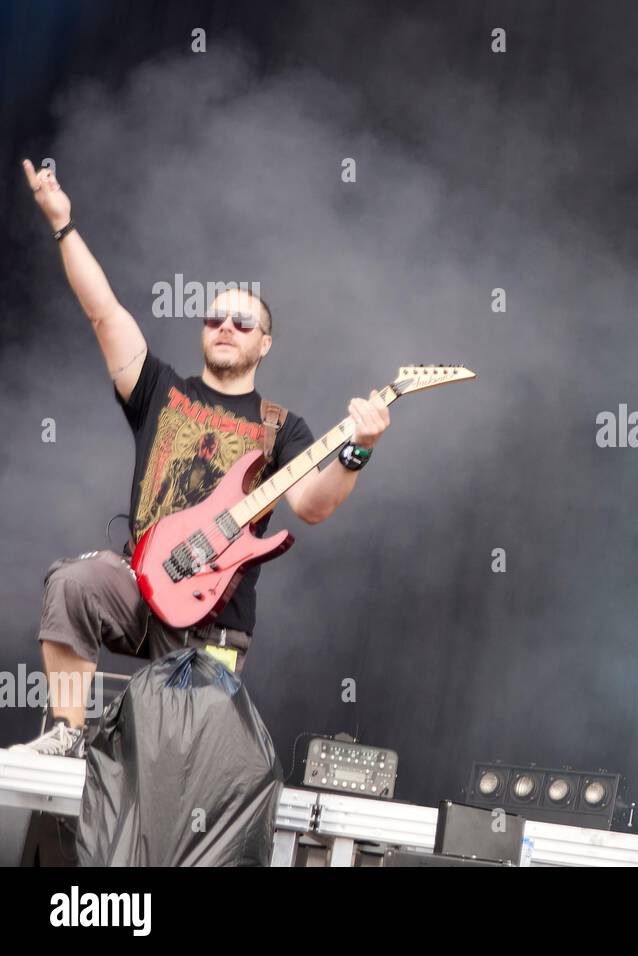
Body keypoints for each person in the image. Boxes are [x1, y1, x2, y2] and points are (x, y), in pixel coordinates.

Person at [11, 158, 391, 757]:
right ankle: (67, 734)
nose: (226, 326)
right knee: (74, 581)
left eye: (243, 320)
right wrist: (63, 224)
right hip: (143, 584)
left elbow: (313, 506)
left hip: (214, 618)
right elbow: (103, 311)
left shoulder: (283, 428)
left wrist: (358, 448)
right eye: (215, 315)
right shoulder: (162, 390)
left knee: (172, 767)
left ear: (264, 344)